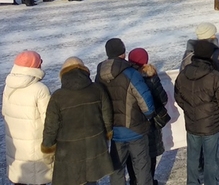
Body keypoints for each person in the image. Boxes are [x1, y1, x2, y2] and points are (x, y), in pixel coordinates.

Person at [42, 57, 113, 185]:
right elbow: (107, 115)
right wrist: (107, 134)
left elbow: (51, 126)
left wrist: (47, 147)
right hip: (94, 145)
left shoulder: (58, 96)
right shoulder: (97, 89)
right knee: (91, 178)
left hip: (69, 151)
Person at [96, 38, 155, 185]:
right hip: (135, 129)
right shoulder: (131, 73)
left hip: (114, 130)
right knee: (141, 167)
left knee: (116, 168)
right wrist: (149, 115)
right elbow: (145, 101)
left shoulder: (99, 75)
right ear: (123, 53)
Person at [175, 40, 219, 185]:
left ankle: (192, 182)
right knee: (210, 158)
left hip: (192, 122)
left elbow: (178, 96)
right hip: (210, 124)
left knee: (192, 157)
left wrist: (189, 109)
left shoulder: (183, 74)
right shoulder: (214, 76)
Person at [2, 51, 52, 185]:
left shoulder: (8, 86)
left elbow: (5, 112)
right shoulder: (40, 89)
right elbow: (49, 120)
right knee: (38, 178)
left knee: (20, 179)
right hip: (35, 147)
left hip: (16, 147)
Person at [127, 48, 169, 185]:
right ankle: (149, 180)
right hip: (150, 123)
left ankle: (134, 180)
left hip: (132, 122)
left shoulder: (126, 76)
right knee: (150, 154)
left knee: (133, 155)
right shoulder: (151, 77)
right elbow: (163, 99)